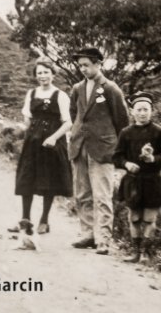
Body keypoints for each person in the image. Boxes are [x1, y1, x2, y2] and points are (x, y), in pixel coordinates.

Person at [69, 47, 129, 255]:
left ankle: (103, 239)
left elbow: (122, 121)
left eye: (87, 65)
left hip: (103, 149)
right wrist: (77, 135)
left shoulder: (111, 89)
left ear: (98, 64)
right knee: (82, 192)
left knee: (102, 195)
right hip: (80, 146)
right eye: (80, 66)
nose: (83, 69)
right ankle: (88, 234)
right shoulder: (77, 88)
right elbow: (75, 114)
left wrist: (120, 151)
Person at [12, 58, 73, 234]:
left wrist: (53, 137)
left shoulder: (60, 95)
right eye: (39, 73)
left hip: (52, 143)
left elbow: (68, 122)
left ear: (53, 74)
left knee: (48, 181)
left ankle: (44, 221)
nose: (43, 76)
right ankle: (25, 219)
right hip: (33, 143)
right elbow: (27, 118)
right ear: (35, 76)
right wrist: (28, 130)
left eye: (46, 72)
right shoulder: (31, 94)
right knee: (27, 178)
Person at [113, 91, 161, 264]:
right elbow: (117, 156)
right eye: (139, 109)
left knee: (149, 218)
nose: (142, 113)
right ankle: (135, 251)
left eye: (146, 109)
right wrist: (127, 164)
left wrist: (153, 159)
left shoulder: (158, 132)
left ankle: (146, 252)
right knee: (134, 217)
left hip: (152, 181)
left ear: (152, 110)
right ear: (132, 111)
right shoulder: (126, 133)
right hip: (133, 181)